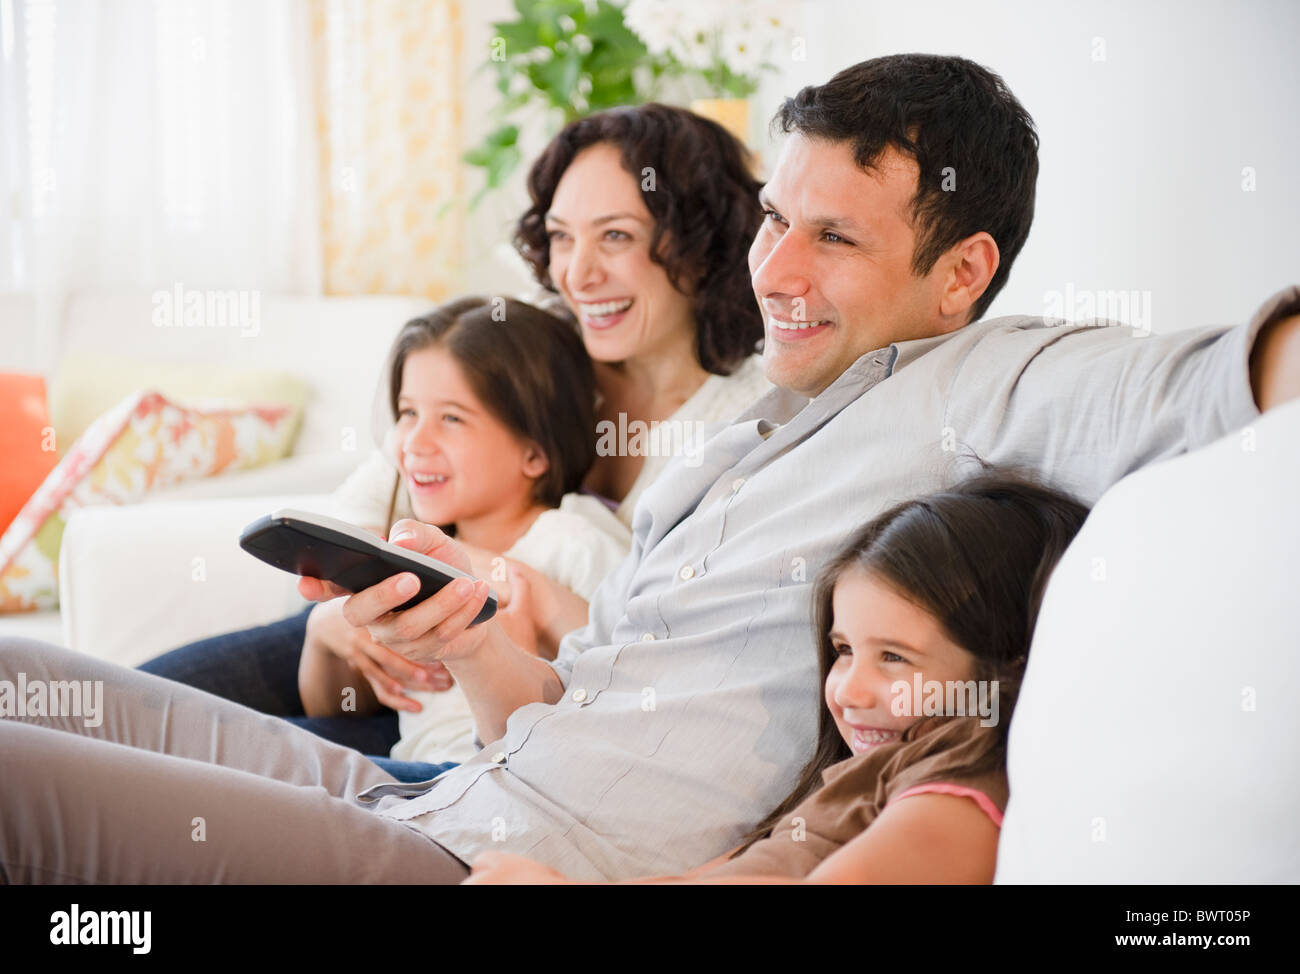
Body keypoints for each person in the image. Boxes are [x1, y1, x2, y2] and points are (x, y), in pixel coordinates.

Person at [2, 53, 1297, 884]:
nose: (775, 268)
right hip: (456, 782)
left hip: (494, 861)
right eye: (776, 219)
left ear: (962, 270)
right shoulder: (748, 427)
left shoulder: (1008, 379)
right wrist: (471, 638)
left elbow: (1218, 373)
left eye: (833, 237)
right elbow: (576, 703)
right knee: (21, 676)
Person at [134, 102, 772, 756]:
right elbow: (384, 482)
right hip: (395, 645)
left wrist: (490, 584)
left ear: (701, 246)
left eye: (615, 236)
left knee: (178, 761)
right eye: (559, 237)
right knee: (122, 711)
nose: (576, 274)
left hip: (511, 712)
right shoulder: (537, 351)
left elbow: (657, 649)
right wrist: (341, 597)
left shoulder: (741, 423)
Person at [464, 474, 1090, 883]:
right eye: (844, 649)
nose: (849, 690)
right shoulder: (859, 779)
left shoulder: (965, 768)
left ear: (1008, 667)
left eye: (895, 658)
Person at [299, 297, 630, 781]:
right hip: (410, 769)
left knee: (240, 759)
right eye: (408, 413)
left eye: (451, 418)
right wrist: (322, 637)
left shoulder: (572, 541)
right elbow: (334, 715)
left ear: (534, 453)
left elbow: (634, 688)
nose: (414, 443)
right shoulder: (408, 557)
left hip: (482, 780)